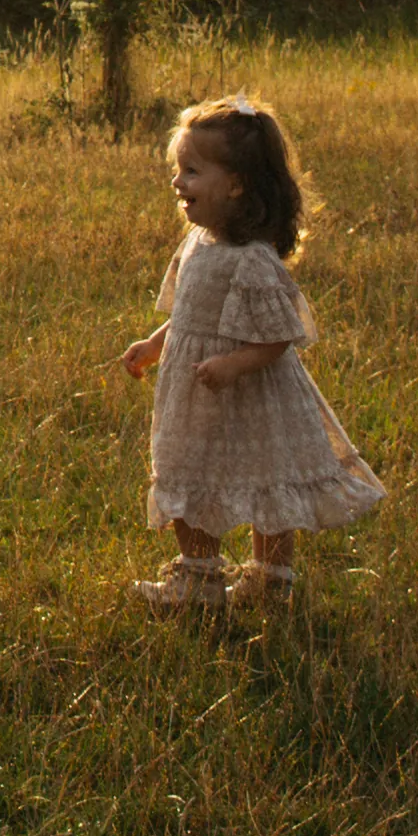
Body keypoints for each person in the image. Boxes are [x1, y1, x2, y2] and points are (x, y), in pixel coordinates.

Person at [119, 91, 383, 619]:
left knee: (269, 479)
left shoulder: (254, 260)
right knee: (185, 472)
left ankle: (271, 576)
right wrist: (155, 343)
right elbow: (193, 317)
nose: (178, 183)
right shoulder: (198, 242)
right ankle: (197, 575)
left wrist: (232, 364)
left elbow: (279, 335)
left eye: (192, 171)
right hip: (196, 396)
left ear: (236, 184)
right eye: (179, 170)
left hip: (252, 395)